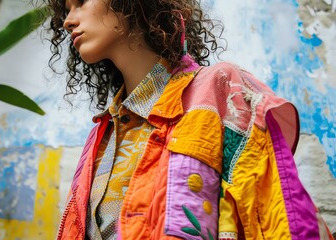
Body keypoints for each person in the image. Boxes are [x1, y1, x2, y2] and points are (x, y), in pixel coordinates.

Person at [45, 0, 334, 239]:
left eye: (80, 3)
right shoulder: (102, 134)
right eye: (67, 10)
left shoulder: (219, 90)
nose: (68, 20)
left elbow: (275, 217)